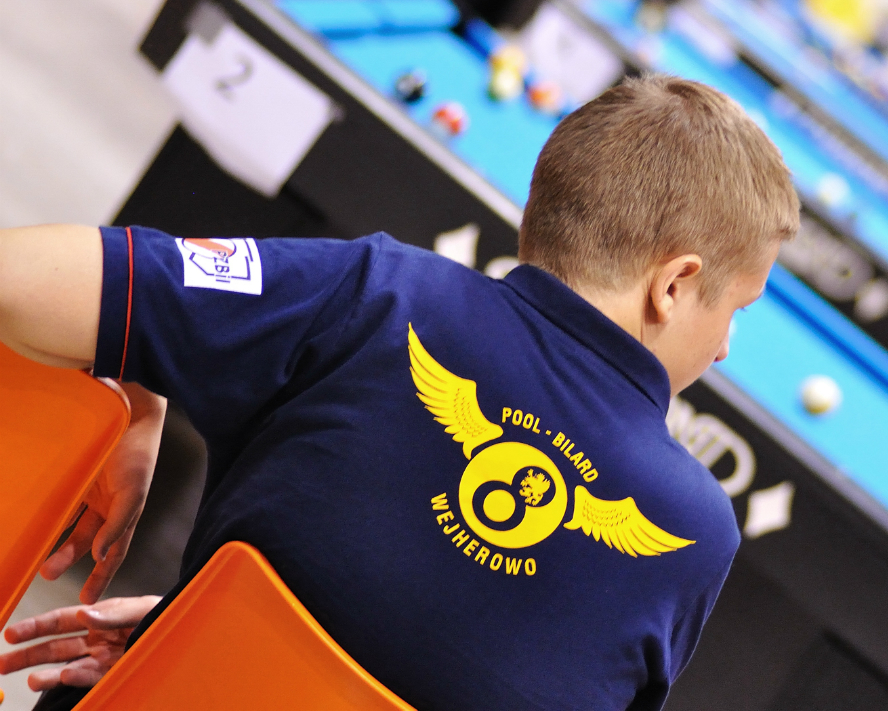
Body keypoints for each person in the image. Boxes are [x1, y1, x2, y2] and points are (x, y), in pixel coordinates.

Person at [0, 75, 799, 710]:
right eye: (737, 309)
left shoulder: (378, 291)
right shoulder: (694, 534)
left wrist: (135, 380)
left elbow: (16, 280)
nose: (725, 345)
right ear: (674, 283)